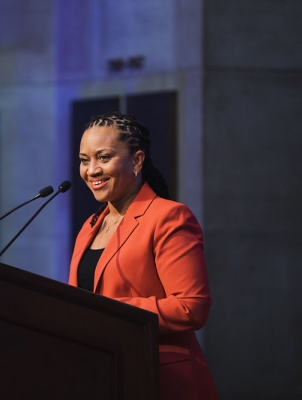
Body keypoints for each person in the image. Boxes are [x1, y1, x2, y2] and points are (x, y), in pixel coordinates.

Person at [68, 111, 219, 399]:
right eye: (84, 160)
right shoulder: (89, 227)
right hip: (102, 374)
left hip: (159, 377)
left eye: (103, 157)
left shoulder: (169, 217)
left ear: (137, 160)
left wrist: (111, 312)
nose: (92, 170)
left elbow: (192, 306)